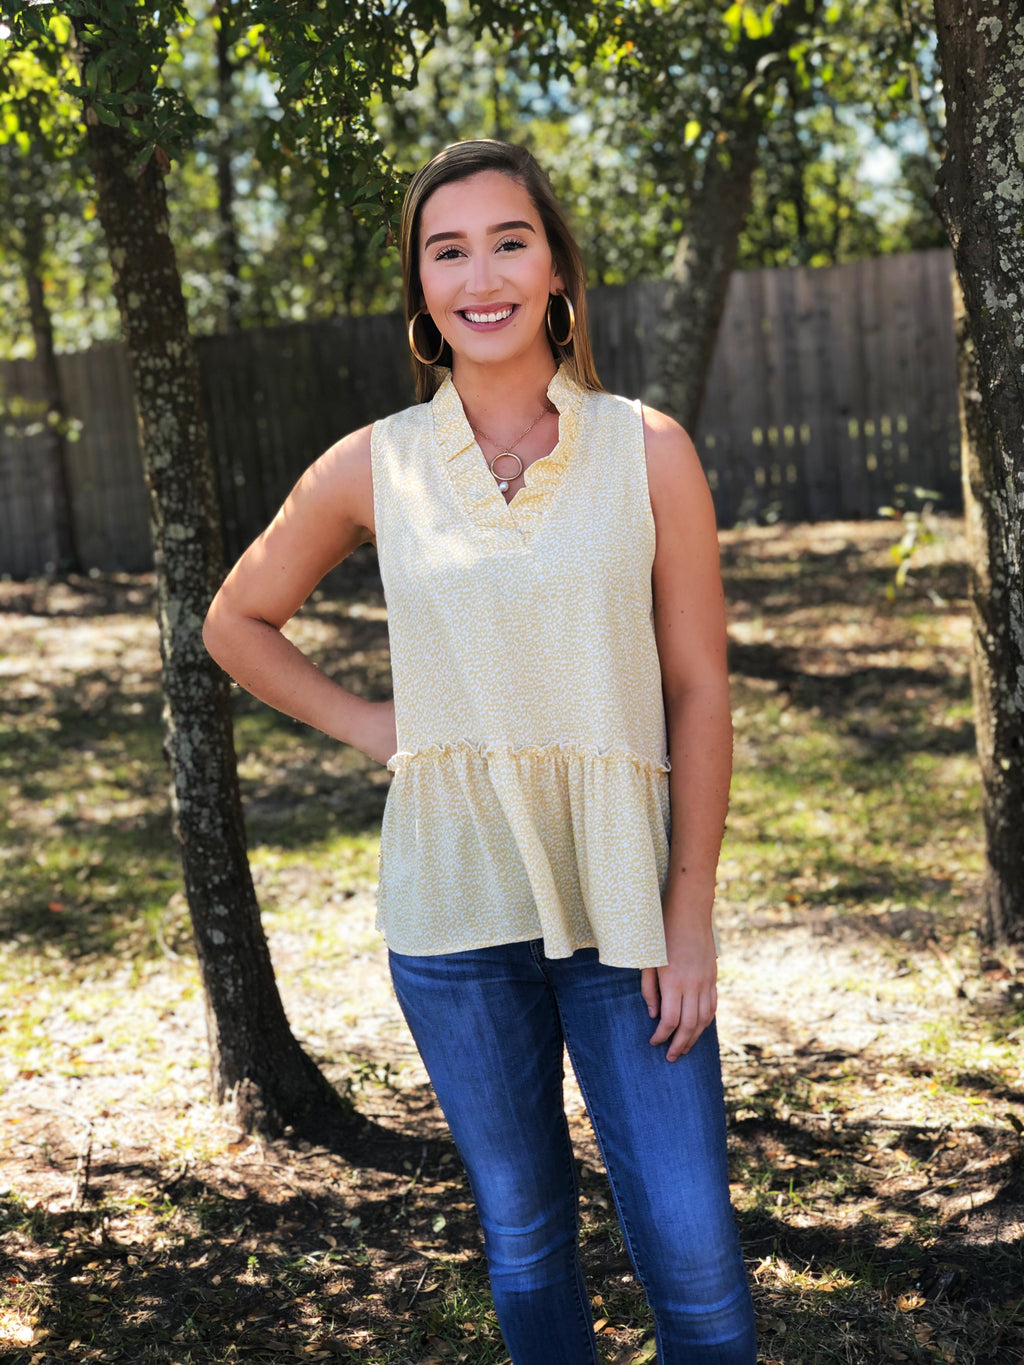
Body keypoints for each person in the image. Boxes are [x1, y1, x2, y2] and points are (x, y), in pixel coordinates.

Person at [203, 139, 757, 1364]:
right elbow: (234, 621)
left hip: (626, 902)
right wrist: (377, 725)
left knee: (697, 1261)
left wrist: (691, 910)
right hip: (451, 912)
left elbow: (697, 685)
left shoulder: (647, 447)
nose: (481, 275)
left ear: (556, 267)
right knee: (524, 1235)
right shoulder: (375, 465)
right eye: (446, 251)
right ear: (420, 287)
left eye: (509, 241)